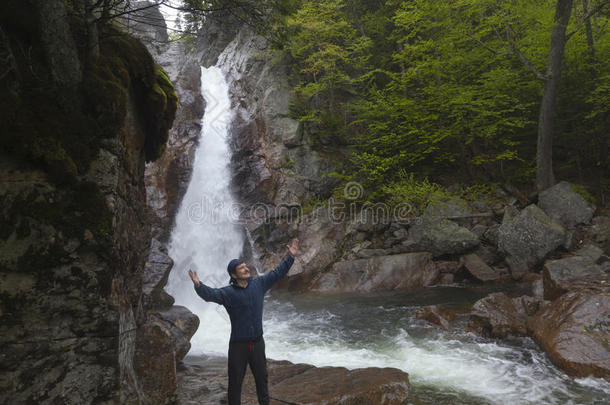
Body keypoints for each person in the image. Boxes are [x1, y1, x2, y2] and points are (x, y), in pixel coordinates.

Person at [188, 238, 299, 405]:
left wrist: (290, 256)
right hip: (238, 346)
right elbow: (209, 295)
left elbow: (278, 273)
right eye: (241, 268)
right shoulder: (227, 293)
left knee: (262, 381)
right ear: (234, 275)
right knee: (235, 385)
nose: (246, 268)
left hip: (257, 343)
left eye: (245, 266)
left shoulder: (259, 284)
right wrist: (198, 285)